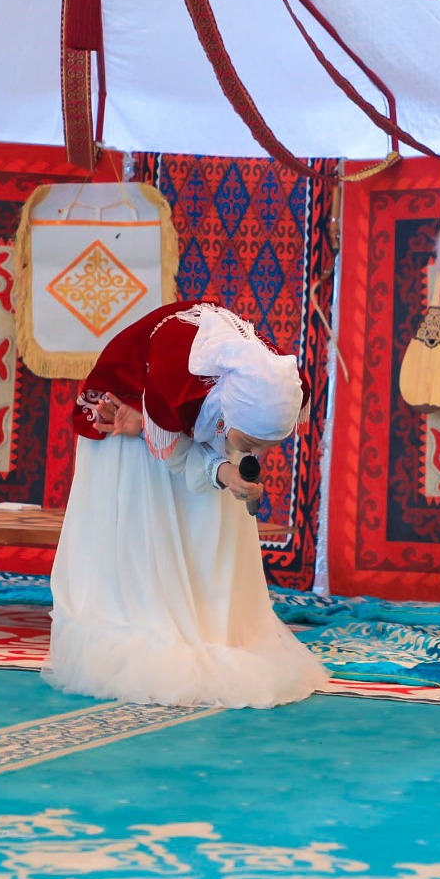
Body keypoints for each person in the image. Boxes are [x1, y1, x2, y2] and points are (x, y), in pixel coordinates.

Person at [47, 301, 329, 708]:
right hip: (132, 425)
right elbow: (173, 453)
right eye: (253, 443)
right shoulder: (176, 386)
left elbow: (225, 441)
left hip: (184, 412)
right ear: (228, 409)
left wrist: (230, 470)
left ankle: (209, 628)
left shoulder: (273, 381)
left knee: (210, 517)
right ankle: (153, 624)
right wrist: (221, 470)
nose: (257, 455)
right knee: (153, 541)